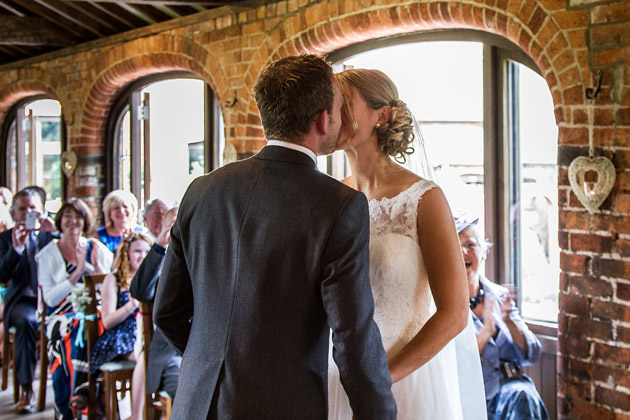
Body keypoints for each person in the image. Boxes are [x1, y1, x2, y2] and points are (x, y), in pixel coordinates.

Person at [153, 54, 396, 420]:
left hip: (195, 404)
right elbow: (352, 338)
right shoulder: (338, 205)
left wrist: (216, 362)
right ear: (321, 119)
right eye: (337, 108)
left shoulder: (201, 191)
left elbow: (167, 311)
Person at [327, 68, 486, 419]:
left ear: (381, 116)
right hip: (337, 372)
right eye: (330, 105)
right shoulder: (330, 197)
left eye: (345, 105)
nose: (332, 115)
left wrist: (382, 378)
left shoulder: (423, 199)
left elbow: (456, 313)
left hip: (405, 377)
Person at [457, 218, 549, 420]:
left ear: (484, 252)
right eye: (457, 246)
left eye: (470, 245)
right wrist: (486, 332)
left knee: (523, 396)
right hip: (473, 396)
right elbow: (456, 365)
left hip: (513, 392)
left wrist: (509, 322)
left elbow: (533, 353)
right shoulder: (446, 305)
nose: (464, 252)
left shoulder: (498, 295)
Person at [36, 198, 113, 419]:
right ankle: (77, 401)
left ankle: (81, 396)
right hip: (59, 314)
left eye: (78, 216)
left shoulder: (96, 248)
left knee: (90, 324)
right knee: (73, 329)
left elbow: (109, 286)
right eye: (68, 216)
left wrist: (96, 268)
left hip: (95, 310)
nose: (73, 221)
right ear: (60, 221)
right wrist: (77, 272)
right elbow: (50, 299)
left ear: (85, 220)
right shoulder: (49, 253)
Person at [0, 186, 57, 413]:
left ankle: (75, 388)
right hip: (23, 300)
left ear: (42, 210)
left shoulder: (50, 235)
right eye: (22, 209)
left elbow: (65, 266)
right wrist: (17, 248)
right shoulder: (5, 239)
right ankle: (26, 388)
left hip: (52, 299)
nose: (27, 213)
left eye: (32, 208)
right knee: (27, 322)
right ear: (14, 212)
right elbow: (2, 276)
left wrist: (54, 235)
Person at [90, 231, 152, 420]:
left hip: (146, 331)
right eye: (137, 251)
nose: (142, 256)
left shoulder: (151, 278)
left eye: (146, 251)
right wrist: (131, 304)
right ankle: (136, 415)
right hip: (119, 336)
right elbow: (107, 322)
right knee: (145, 357)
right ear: (126, 253)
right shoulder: (113, 279)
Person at [130, 207, 181, 401]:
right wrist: (161, 242)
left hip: (206, 355)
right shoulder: (163, 263)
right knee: (190, 390)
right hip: (171, 357)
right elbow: (140, 291)